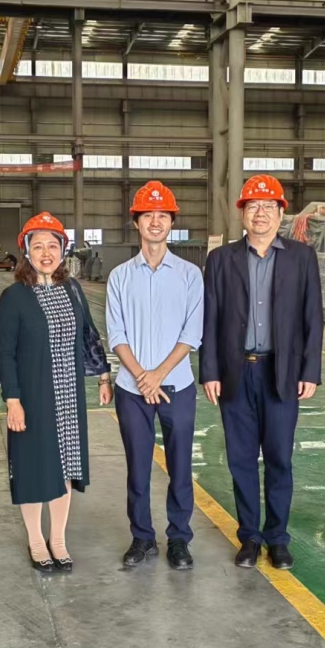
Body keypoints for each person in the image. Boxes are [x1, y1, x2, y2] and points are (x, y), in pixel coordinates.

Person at [200, 174, 323, 571]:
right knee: (240, 459)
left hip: (281, 373)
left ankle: (278, 538)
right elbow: (210, 318)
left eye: (269, 206)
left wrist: (310, 370)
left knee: (279, 458)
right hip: (236, 373)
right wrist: (210, 371)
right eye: (253, 206)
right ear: (242, 213)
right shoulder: (221, 260)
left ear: (281, 213)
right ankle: (250, 537)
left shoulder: (301, 258)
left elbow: (313, 318)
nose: (261, 213)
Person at [0, 212, 113, 571]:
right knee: (33, 467)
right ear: (26, 253)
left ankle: (58, 538)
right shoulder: (14, 297)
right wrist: (13, 400)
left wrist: (103, 377)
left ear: (63, 250)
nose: (46, 253)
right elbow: (4, 353)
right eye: (38, 246)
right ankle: (36, 538)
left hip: (68, 396)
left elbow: (89, 335)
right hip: (33, 396)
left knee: (65, 465)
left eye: (53, 245)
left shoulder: (72, 290)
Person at [107, 181, 204, 570]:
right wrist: (140, 376)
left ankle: (178, 538)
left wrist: (158, 374)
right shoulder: (120, 276)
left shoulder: (189, 275)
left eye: (163, 215)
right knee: (138, 467)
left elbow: (192, 333)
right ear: (136, 222)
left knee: (180, 466)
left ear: (171, 222)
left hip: (177, 385)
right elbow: (116, 334)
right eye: (148, 215)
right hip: (131, 390)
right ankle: (142, 537)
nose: (155, 222)